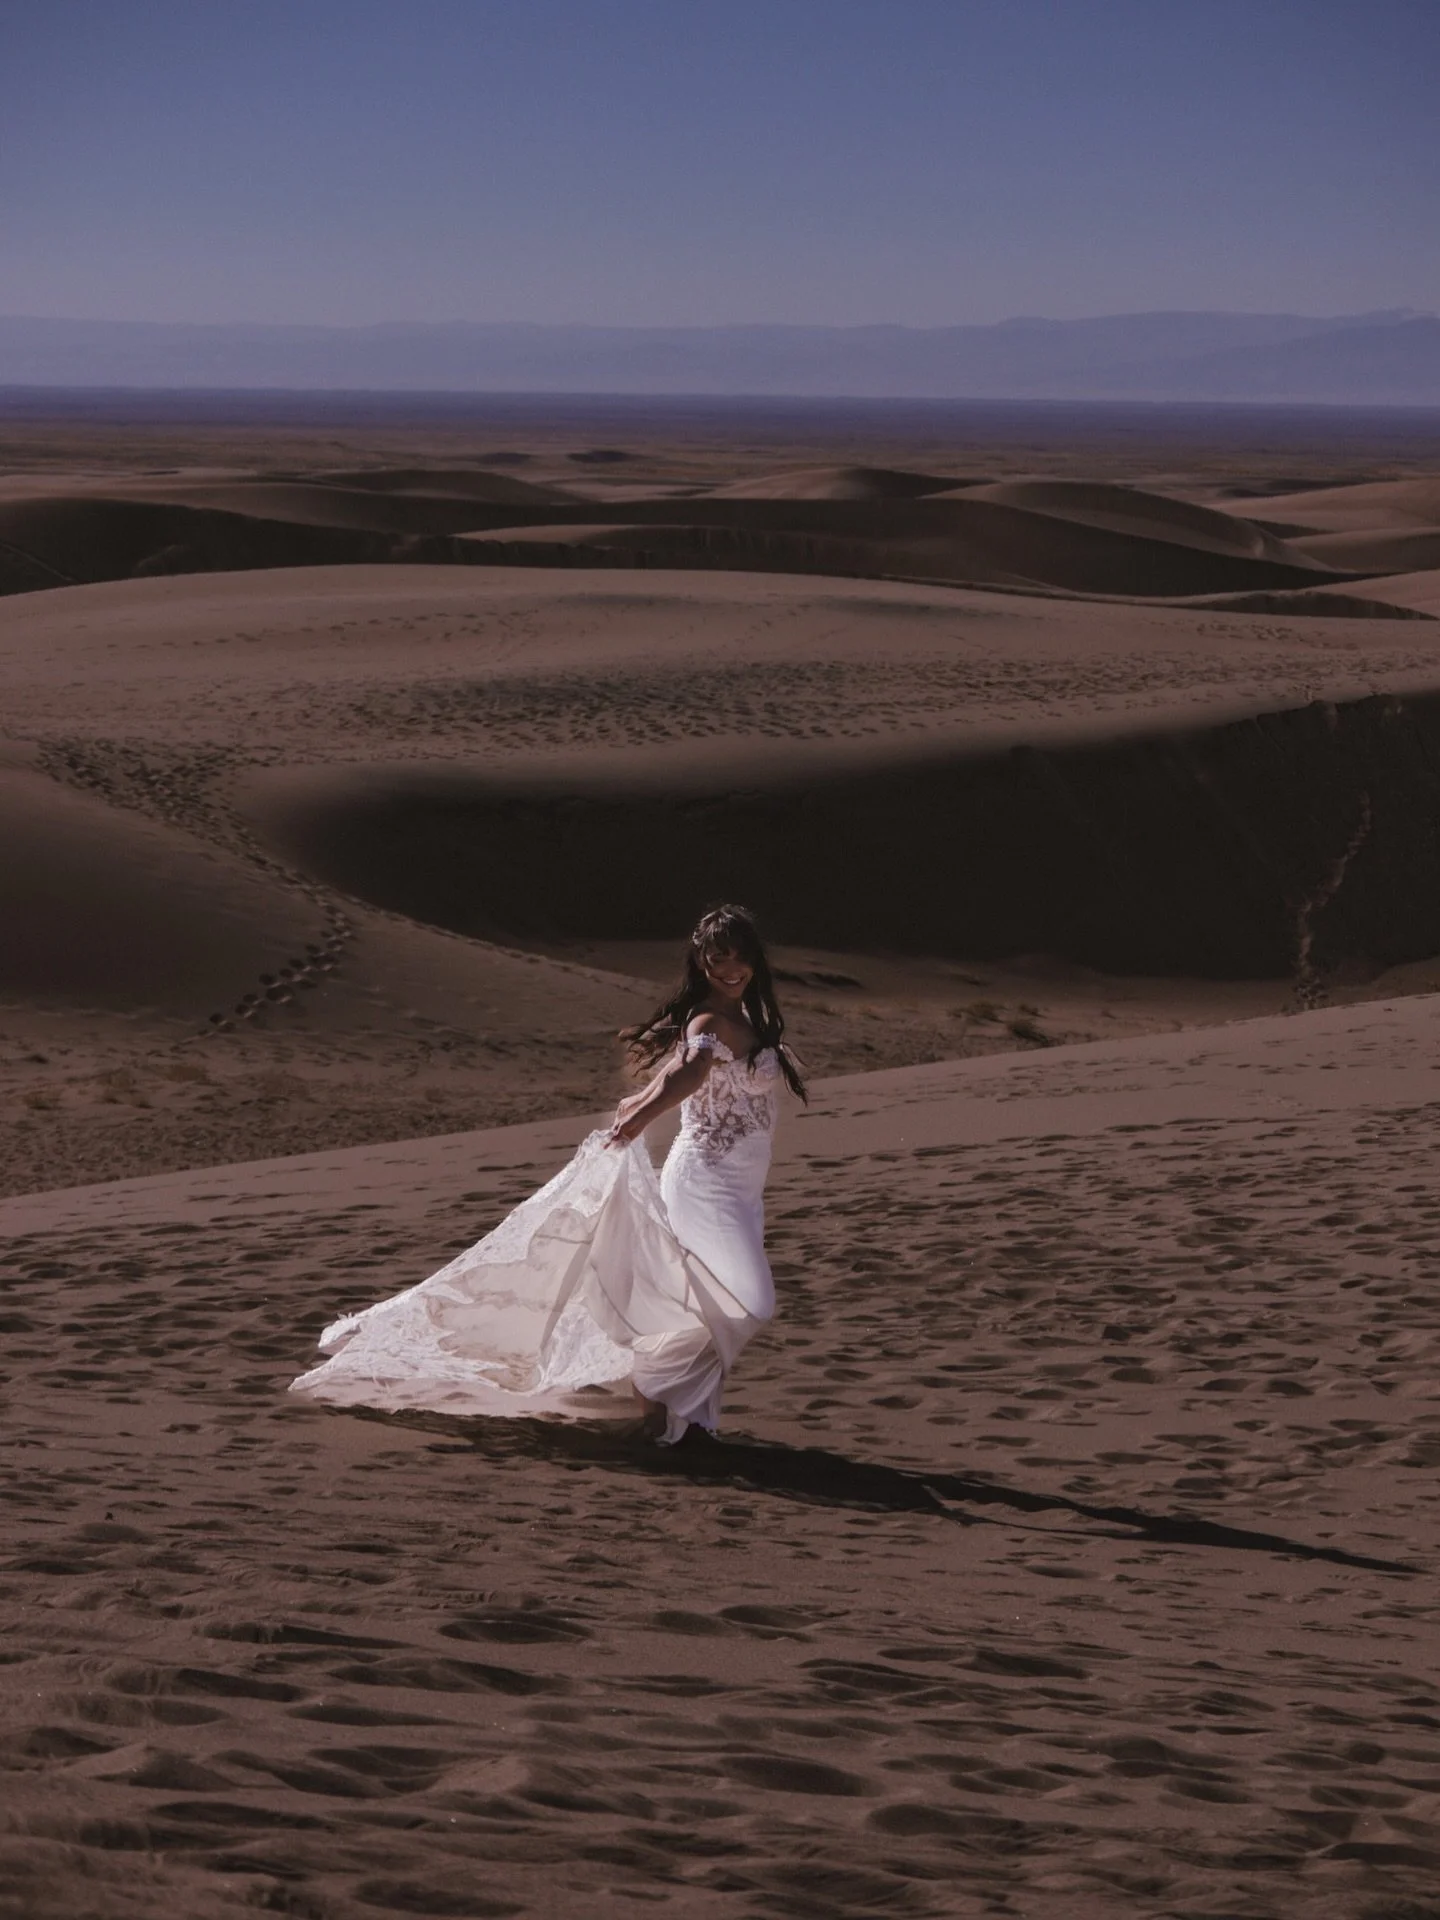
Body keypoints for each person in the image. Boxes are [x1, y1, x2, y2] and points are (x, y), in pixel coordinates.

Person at [290, 904, 804, 1445]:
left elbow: (672, 1073)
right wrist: (640, 1120)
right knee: (751, 1301)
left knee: (710, 1296)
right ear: (700, 961)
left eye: (740, 957)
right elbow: (690, 1070)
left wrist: (636, 1103)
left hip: (743, 1191)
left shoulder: (743, 1018)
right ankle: (657, 1384)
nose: (731, 967)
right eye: (718, 957)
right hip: (706, 1183)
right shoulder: (708, 1020)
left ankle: (685, 1422)